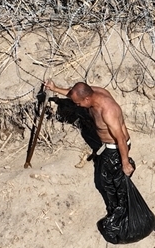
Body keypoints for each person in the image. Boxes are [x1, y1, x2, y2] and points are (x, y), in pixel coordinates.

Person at [44, 79, 134, 218]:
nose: (77, 105)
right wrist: (55, 88)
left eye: (78, 103)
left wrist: (125, 162)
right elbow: (72, 93)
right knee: (108, 179)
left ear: (87, 98)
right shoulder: (90, 93)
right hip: (106, 147)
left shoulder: (108, 110)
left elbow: (121, 139)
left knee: (108, 182)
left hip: (116, 148)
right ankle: (118, 207)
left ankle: (122, 212)